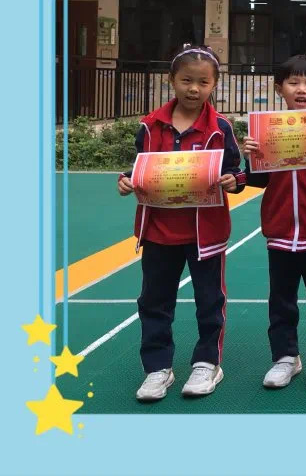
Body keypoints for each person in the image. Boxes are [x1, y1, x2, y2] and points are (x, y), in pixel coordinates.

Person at [117, 44, 245, 402]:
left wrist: (234, 181)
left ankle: (207, 363)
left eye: (203, 82)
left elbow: (236, 171)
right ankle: (158, 368)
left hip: (206, 233)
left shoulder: (220, 128)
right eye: (187, 80)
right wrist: (127, 180)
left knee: (209, 299)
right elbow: (140, 167)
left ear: (214, 84)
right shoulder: (149, 126)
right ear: (171, 80)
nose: (194, 88)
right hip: (159, 231)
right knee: (154, 301)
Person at [242, 55, 306, 392]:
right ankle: (285, 357)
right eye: (293, 82)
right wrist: (251, 155)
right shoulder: (266, 130)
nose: (302, 89)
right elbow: (258, 180)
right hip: (280, 232)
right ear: (279, 88)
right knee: (281, 301)